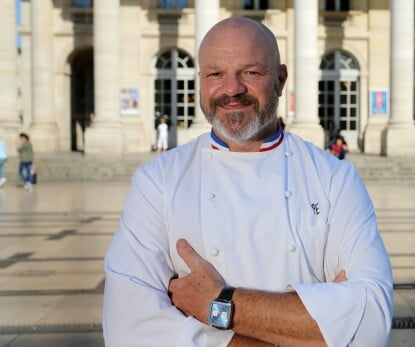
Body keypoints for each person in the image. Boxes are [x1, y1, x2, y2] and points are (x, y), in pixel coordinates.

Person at [103, 17, 393, 346]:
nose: (232, 89)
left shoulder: (334, 179)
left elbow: (371, 325)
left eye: (251, 72)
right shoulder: (158, 182)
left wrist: (219, 304)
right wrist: (317, 329)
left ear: (281, 80)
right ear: (200, 82)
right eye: (216, 74)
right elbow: (130, 330)